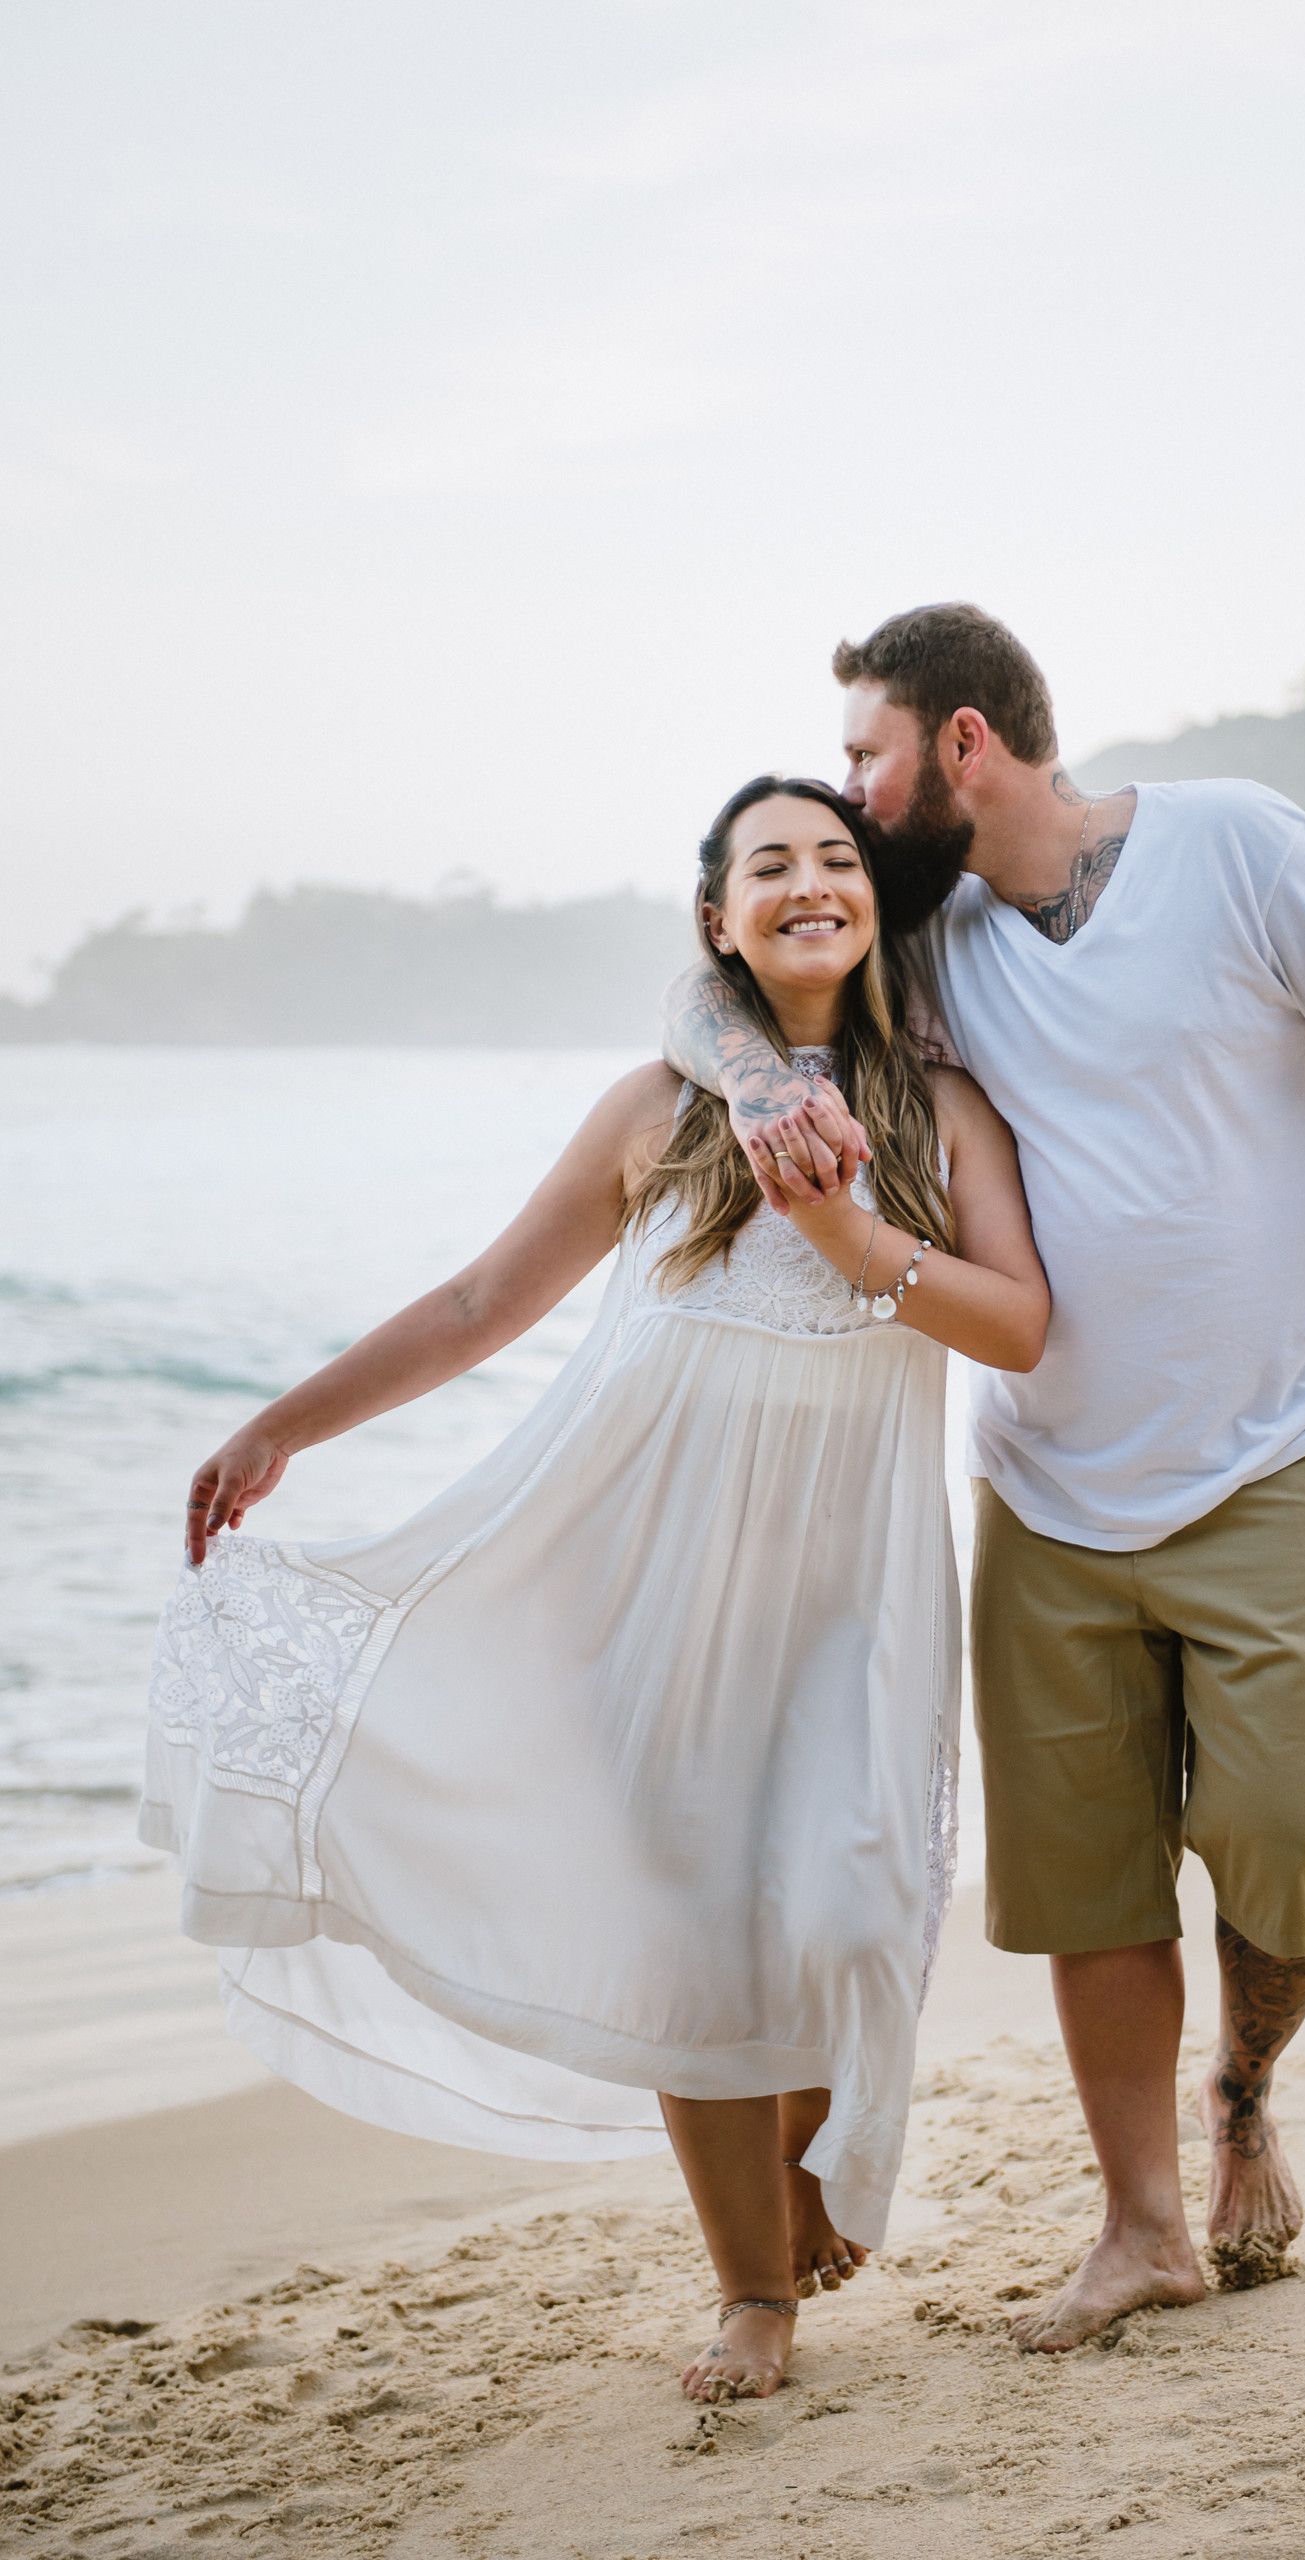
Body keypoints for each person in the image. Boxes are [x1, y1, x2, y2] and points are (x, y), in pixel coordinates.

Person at [663, 605, 1305, 2351]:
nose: (852, 795)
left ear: (965, 743)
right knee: (1090, 1882)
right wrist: (762, 1078)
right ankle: (1144, 2226)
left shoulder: (1243, 846)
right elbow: (711, 974)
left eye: (867, 756)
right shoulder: (934, 937)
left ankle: (1246, 2087)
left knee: (1292, 1838)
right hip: (1050, 1487)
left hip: (1286, 1440)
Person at [142, 775, 1049, 2404]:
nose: (809, 882)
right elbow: (481, 1301)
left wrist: (853, 1239)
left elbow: (1022, 1326)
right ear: (720, 921)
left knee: (851, 1902)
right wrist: (284, 1425)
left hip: (850, 1582)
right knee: (691, 1935)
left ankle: (805, 2135)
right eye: (769, 865)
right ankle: (752, 2294)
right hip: (637, 1577)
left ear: (876, 905)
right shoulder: (660, 1110)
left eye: (836, 858)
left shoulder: (942, 1113)